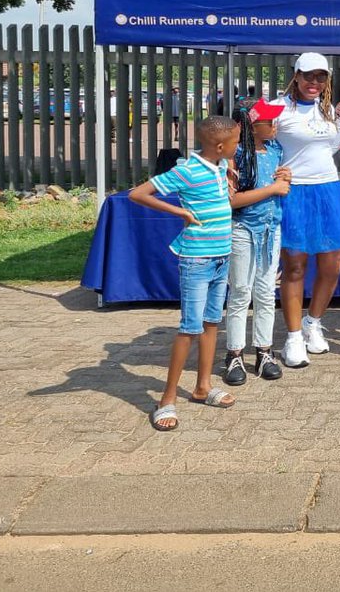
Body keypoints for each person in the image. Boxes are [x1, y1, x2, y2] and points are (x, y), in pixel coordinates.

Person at [129, 116, 240, 431]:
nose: (238, 146)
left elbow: (223, 191)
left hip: (221, 256)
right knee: (190, 328)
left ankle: (203, 386)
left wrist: (228, 173)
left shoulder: (219, 167)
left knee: (210, 322)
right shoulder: (186, 171)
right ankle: (166, 399)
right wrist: (179, 211)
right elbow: (139, 194)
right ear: (219, 145)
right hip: (197, 260)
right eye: (235, 142)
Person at [270, 53, 340, 369]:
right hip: (294, 192)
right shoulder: (277, 107)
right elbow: (256, 143)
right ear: (296, 75)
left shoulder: (331, 110)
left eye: (321, 77)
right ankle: (293, 338)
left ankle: (313, 322)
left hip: (329, 189)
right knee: (294, 266)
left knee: (333, 263)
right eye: (308, 76)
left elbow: (334, 144)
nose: (314, 83)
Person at [222, 97, 291, 386]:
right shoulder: (234, 155)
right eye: (268, 120)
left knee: (265, 292)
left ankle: (264, 351)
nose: (275, 124)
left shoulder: (275, 149)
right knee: (240, 291)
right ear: (251, 125)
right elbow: (232, 199)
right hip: (243, 230)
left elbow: (280, 184)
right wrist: (274, 187)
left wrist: (285, 178)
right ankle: (234, 354)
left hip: (270, 230)